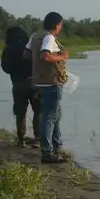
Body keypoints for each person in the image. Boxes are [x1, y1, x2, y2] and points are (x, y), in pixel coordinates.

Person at [24, 11, 69, 164]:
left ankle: (57, 147)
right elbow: (45, 55)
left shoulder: (35, 35)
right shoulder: (49, 37)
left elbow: (26, 54)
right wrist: (62, 57)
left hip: (38, 82)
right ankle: (47, 153)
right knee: (49, 117)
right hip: (51, 82)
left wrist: (38, 65)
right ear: (56, 25)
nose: (61, 27)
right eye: (61, 24)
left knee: (55, 115)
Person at [0, 26, 41, 147]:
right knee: (38, 111)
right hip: (34, 82)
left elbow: (5, 68)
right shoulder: (30, 47)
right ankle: (38, 139)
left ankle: (20, 139)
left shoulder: (7, 49)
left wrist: (15, 70)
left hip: (18, 83)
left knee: (20, 112)